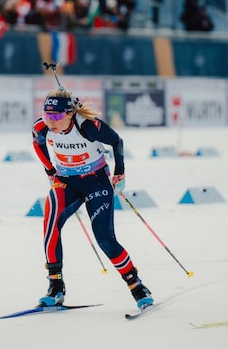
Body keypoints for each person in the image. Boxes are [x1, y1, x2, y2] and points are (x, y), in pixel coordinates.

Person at [31, 86, 154, 310]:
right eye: (47, 115)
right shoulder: (41, 127)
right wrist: (50, 171)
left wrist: (119, 173)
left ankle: (136, 285)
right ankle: (56, 287)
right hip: (66, 182)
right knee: (50, 224)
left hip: (96, 181)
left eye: (57, 116)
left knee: (104, 239)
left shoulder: (87, 126)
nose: (51, 121)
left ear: (70, 114)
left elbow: (117, 142)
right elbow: (37, 144)